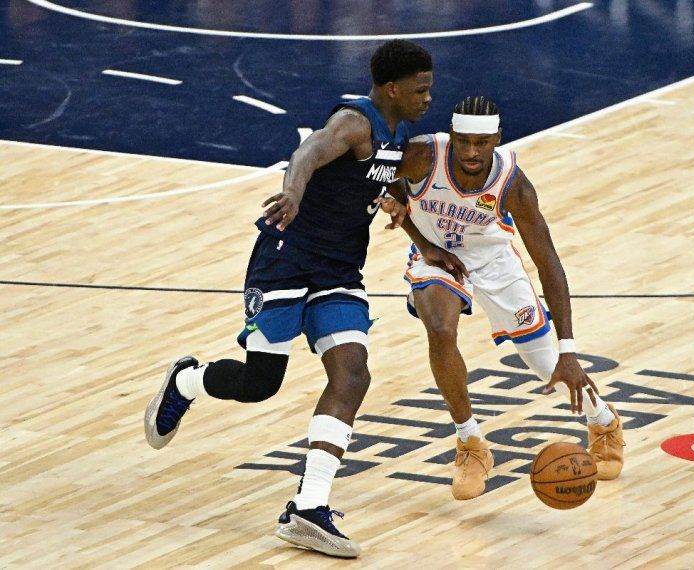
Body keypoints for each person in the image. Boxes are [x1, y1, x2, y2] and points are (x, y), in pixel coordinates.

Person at [143, 40, 465, 558]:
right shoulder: (354, 122)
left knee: (353, 373)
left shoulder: (399, 135)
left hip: (339, 269)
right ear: (391, 89)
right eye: (421, 89)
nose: (429, 97)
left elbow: (391, 192)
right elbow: (309, 152)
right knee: (259, 383)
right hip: (288, 256)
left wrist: (427, 246)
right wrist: (292, 191)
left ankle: (308, 508)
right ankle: (187, 379)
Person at [390, 96, 625, 500]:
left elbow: (549, 263)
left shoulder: (513, 183)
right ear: (452, 137)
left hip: (494, 260)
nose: (470, 152)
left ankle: (604, 423)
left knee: (547, 364)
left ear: (497, 138)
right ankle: (470, 444)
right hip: (436, 257)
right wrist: (419, 239)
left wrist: (569, 350)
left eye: (482, 143)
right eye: (463, 142)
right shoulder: (420, 157)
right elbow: (383, 186)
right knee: (441, 327)